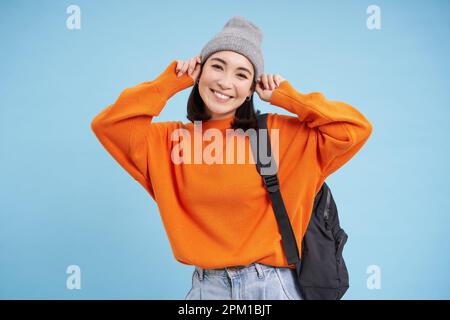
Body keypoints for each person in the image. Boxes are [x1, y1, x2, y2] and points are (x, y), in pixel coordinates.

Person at [91, 16, 372, 300]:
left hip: (271, 286)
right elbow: (109, 125)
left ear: (252, 87)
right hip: (207, 288)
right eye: (217, 66)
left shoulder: (276, 135)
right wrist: (169, 82)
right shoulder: (169, 142)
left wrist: (288, 97)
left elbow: (353, 129)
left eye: (241, 74)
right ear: (199, 71)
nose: (226, 82)